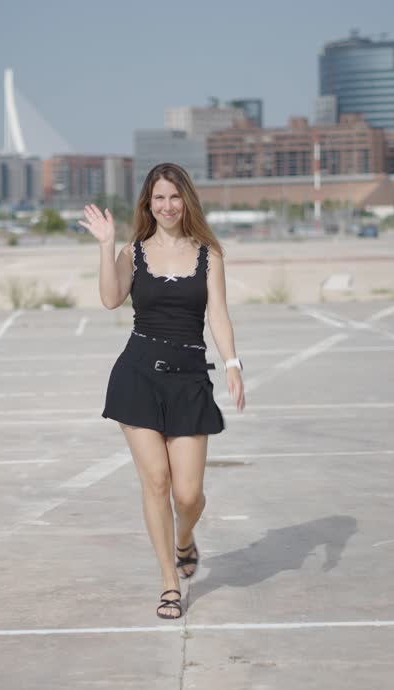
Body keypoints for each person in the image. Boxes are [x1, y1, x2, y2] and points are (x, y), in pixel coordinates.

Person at [79, 162, 245, 620]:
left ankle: (185, 539)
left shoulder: (209, 253)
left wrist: (232, 363)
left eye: (174, 197)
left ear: (186, 200)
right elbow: (111, 299)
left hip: (189, 376)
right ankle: (170, 581)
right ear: (147, 204)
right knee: (156, 482)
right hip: (137, 374)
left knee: (188, 495)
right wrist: (107, 245)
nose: (167, 206)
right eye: (158, 199)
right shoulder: (134, 252)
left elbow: (218, 315)